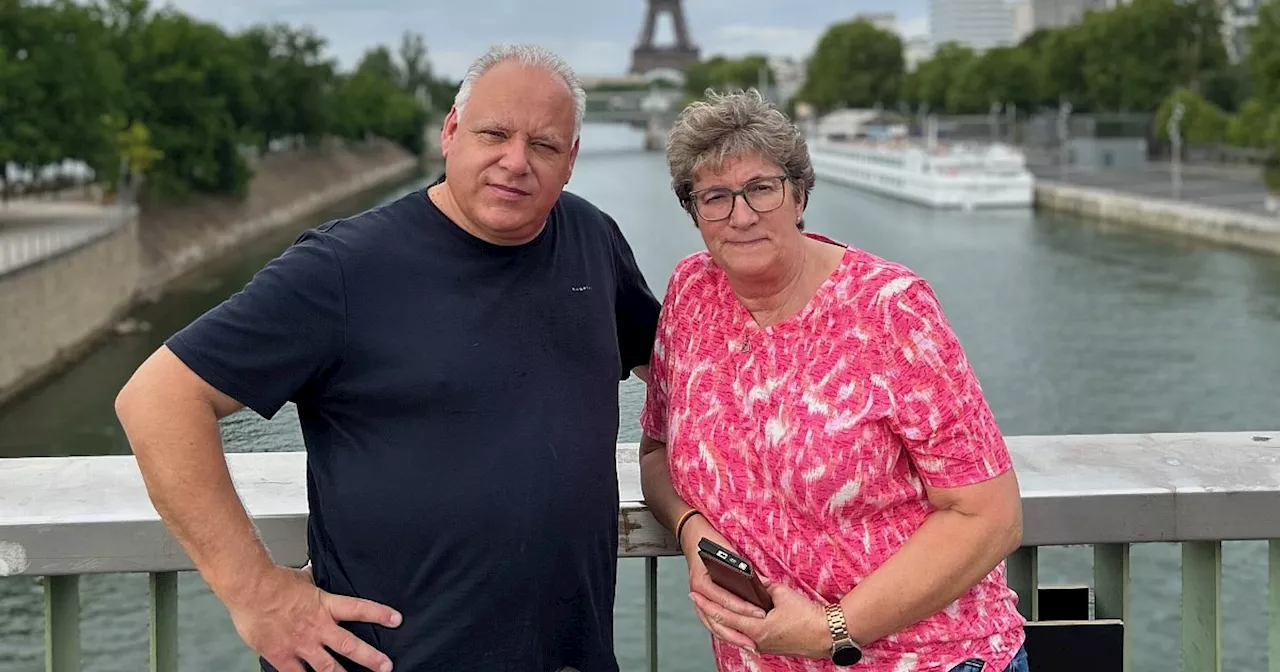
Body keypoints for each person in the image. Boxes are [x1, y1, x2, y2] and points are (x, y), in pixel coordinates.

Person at [114, 43, 660, 672]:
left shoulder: (591, 239)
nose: (516, 161)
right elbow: (157, 399)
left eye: (543, 145)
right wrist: (255, 593)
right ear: (450, 132)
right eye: (494, 133)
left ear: (571, 160)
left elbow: (676, 369)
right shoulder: (343, 267)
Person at [637, 88, 1028, 672]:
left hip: (932, 660)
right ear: (693, 211)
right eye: (715, 197)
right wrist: (693, 530)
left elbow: (990, 517)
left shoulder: (891, 309)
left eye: (761, 189)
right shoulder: (692, 292)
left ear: (798, 194)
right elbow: (657, 454)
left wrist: (831, 629)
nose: (740, 216)